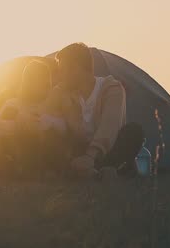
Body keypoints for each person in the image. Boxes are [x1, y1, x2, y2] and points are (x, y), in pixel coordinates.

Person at [51, 42, 144, 178]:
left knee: (134, 131)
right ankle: (102, 171)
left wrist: (90, 156)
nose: (60, 75)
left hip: (107, 150)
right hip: (81, 150)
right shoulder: (65, 93)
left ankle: (102, 169)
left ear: (75, 68)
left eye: (62, 70)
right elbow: (50, 119)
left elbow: (109, 126)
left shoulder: (112, 88)